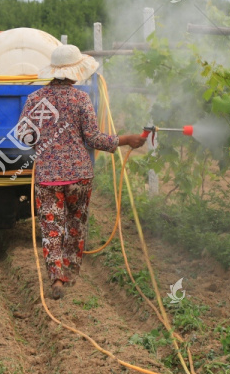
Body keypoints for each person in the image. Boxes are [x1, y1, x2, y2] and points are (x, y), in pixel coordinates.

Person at [18, 45, 146, 300]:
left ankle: (56, 278)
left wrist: (43, 143)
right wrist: (126, 139)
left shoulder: (35, 99)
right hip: (79, 176)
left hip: (48, 177)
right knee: (75, 226)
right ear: (75, 72)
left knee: (51, 228)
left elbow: (24, 136)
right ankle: (70, 274)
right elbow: (93, 139)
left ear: (54, 72)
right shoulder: (81, 99)